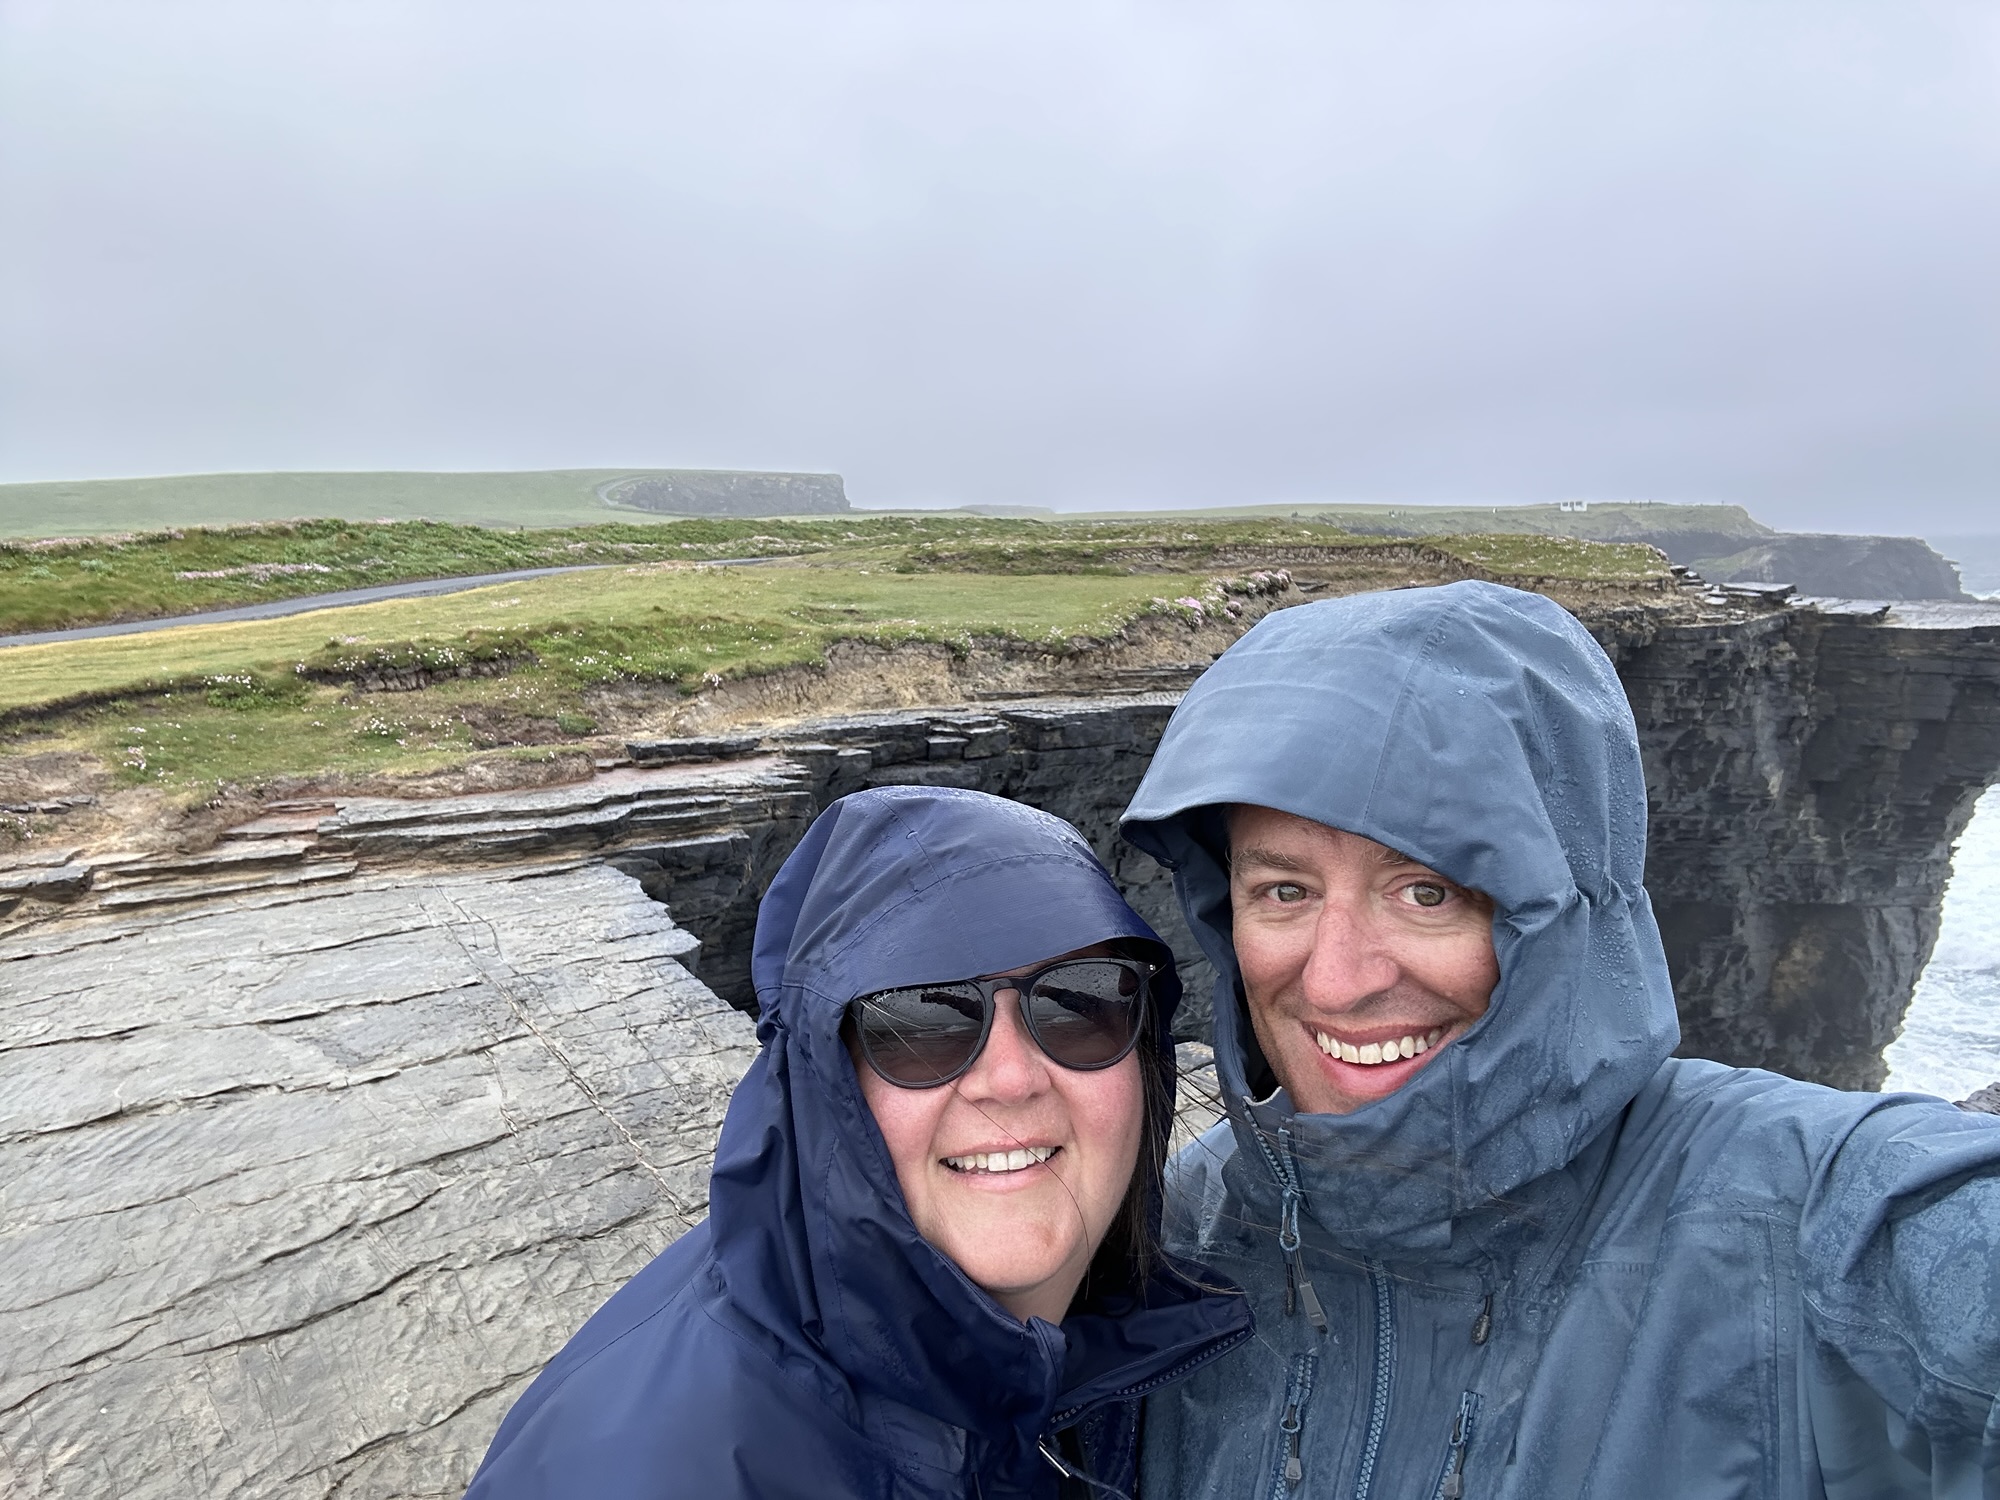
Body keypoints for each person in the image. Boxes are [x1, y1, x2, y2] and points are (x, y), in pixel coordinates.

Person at [1122, 580, 2000, 1498]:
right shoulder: (1185, 1232)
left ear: (1571, 907)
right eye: (1285, 892)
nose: (1339, 978)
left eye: (1429, 891)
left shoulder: (1799, 1217)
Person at [466, 785, 1250, 1499]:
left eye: (1081, 1004)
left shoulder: (1103, 1335)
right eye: (922, 1023)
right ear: (822, 1081)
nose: (1011, 1079)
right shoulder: (647, 1471)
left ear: (1145, 1050)